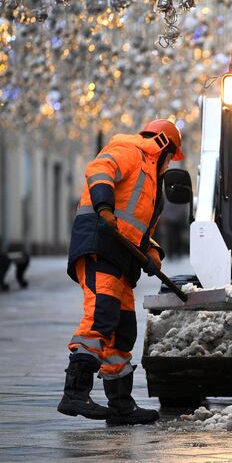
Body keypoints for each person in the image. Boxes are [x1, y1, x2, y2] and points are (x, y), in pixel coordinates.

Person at [58, 119, 184, 425]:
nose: (169, 164)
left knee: (122, 330)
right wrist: (103, 207)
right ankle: (75, 392)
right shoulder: (129, 149)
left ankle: (120, 406)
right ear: (164, 144)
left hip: (122, 259)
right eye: (171, 156)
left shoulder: (154, 184)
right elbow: (99, 170)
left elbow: (140, 231)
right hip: (100, 246)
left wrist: (153, 254)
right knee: (100, 316)